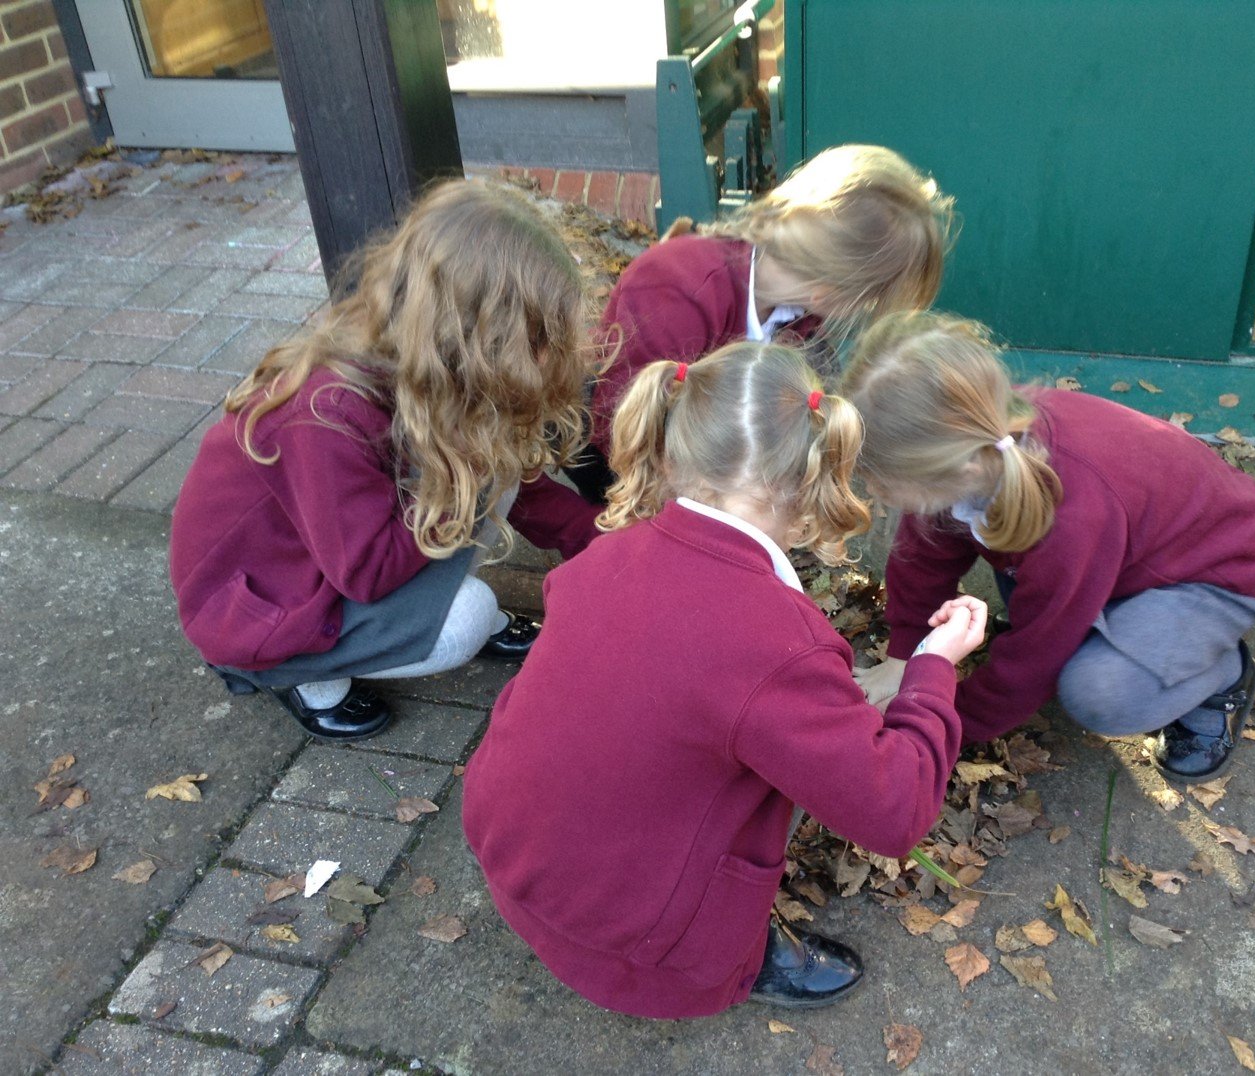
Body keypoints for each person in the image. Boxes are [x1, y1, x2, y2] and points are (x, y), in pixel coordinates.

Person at [462, 343, 988, 1019]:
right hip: (640, 955)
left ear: (673, 448)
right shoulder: (777, 643)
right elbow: (895, 811)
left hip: (511, 861)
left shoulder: (605, 553)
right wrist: (932, 666)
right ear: (811, 479)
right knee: (783, 746)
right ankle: (743, 960)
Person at [169, 181, 603, 742]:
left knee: (491, 461)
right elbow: (368, 572)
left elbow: (521, 483)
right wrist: (465, 474)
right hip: (271, 610)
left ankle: (414, 614)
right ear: (476, 339)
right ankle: (307, 677)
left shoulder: (423, 369)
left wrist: (606, 542)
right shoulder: (324, 416)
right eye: (538, 340)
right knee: (466, 617)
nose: (547, 358)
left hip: (329, 556)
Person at [842, 313, 1255, 782]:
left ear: (959, 469)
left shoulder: (1069, 516)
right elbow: (923, 557)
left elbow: (1034, 661)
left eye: (879, 481)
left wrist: (936, 727)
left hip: (1208, 572)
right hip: (1117, 555)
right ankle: (1109, 625)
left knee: (1100, 692)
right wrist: (904, 657)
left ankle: (1222, 676)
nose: (872, 491)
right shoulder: (965, 434)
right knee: (1048, 610)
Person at [563, 143, 955, 502]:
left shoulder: (798, 316)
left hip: (710, 466)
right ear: (829, 292)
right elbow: (625, 432)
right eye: (868, 302)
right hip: (625, 470)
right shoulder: (679, 290)